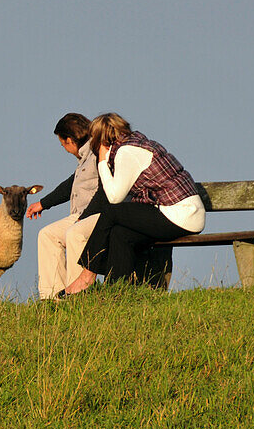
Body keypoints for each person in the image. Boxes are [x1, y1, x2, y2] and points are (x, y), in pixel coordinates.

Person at [61, 113, 205, 297]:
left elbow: (114, 198)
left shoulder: (126, 153)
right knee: (120, 234)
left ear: (100, 140)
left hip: (180, 214)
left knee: (111, 212)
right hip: (182, 213)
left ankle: (86, 276)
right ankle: (115, 292)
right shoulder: (136, 144)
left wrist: (102, 162)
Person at [26, 113, 101, 300]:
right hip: (80, 215)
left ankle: (77, 296)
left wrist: (85, 215)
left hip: (98, 214)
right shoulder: (85, 157)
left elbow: (106, 190)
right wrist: (43, 204)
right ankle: (51, 298)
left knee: (73, 233)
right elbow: (71, 184)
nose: (65, 149)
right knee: (47, 234)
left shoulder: (99, 152)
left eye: (63, 145)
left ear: (69, 140)